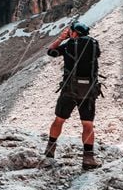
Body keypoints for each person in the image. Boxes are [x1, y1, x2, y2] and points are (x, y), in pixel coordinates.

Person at [43, 20, 103, 170]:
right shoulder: (94, 44)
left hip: (69, 90)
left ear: (75, 32)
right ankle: (88, 159)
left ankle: (50, 150)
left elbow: (51, 51)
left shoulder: (69, 45)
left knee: (59, 119)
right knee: (87, 124)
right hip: (88, 91)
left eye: (71, 31)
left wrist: (62, 38)